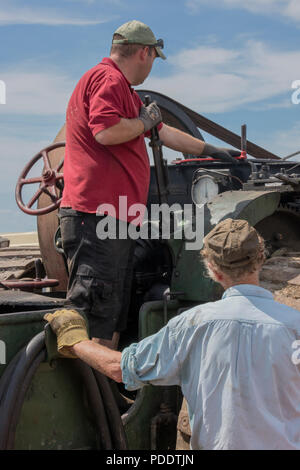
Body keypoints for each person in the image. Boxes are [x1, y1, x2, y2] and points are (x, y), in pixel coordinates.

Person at [59, 19, 241, 351]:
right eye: (154, 59)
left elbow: (161, 132)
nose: (152, 68)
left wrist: (214, 151)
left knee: (111, 315)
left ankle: (108, 399)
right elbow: (106, 131)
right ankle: (89, 396)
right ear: (144, 52)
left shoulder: (121, 90)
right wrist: (144, 121)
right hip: (97, 216)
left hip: (114, 219)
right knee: (95, 318)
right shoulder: (108, 79)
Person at [45, 218, 300, 450]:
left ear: (212, 270)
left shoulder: (192, 324)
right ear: (261, 258)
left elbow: (119, 368)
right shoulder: (295, 326)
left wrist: (75, 339)